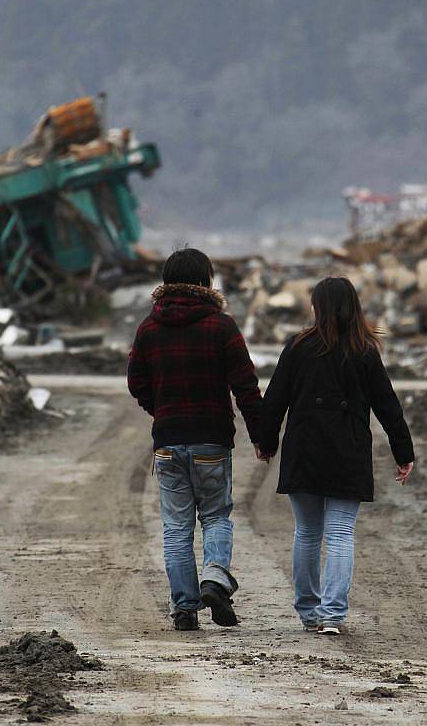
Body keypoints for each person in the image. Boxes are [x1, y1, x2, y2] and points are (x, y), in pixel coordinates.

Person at [259, 277, 414, 635]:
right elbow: (388, 406)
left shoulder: (298, 347)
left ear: (318, 307)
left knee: (308, 533)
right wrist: (403, 452)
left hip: (305, 449)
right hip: (348, 450)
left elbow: (275, 400)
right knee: (341, 533)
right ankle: (332, 614)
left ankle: (309, 612)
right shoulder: (365, 351)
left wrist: (266, 443)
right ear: (354, 307)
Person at [128, 248, 266, 631]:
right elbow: (246, 385)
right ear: (206, 281)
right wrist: (262, 436)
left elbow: (136, 382)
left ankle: (184, 608)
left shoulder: (149, 328)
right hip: (211, 441)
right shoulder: (221, 326)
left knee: (175, 527)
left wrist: (162, 411)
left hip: (169, 442)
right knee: (217, 515)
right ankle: (215, 579)